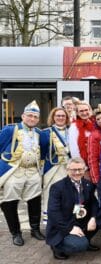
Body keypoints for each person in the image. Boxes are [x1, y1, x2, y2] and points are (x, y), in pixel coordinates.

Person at [0, 101, 45, 246]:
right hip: (15, 170)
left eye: (35, 117)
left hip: (32, 170)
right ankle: (16, 233)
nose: (32, 119)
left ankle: (35, 229)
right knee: (10, 200)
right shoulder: (10, 129)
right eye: (30, 116)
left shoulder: (39, 133)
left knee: (35, 200)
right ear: (23, 116)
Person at [46, 157, 99, 260]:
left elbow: (94, 203)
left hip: (80, 219)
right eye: (74, 170)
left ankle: (85, 240)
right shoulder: (57, 187)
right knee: (79, 245)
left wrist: (93, 218)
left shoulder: (88, 185)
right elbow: (53, 212)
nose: (77, 172)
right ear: (67, 170)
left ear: (84, 169)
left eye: (80, 169)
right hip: (64, 224)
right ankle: (57, 247)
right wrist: (69, 228)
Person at [41, 107, 71, 223]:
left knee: (67, 194)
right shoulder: (46, 132)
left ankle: (66, 219)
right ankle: (50, 221)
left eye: (63, 116)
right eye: (58, 115)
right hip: (52, 168)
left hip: (68, 168)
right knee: (50, 193)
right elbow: (42, 153)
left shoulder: (72, 131)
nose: (60, 118)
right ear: (53, 117)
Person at [68, 101, 94, 168]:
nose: (84, 113)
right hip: (84, 164)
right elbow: (74, 149)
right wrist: (81, 166)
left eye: (86, 110)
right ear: (77, 113)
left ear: (90, 110)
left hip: (95, 162)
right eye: (81, 111)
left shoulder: (94, 123)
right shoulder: (74, 127)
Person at [87, 108, 101, 184]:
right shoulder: (94, 135)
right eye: (98, 119)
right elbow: (92, 158)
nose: (100, 120)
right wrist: (96, 179)